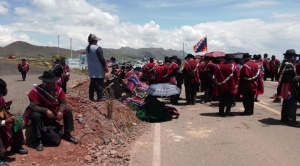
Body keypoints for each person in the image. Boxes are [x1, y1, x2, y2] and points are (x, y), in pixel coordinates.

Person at [27, 71, 78, 151]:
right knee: (35, 115)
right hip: (42, 114)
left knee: (68, 111)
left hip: (55, 112)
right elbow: (32, 106)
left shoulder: (59, 89)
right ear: (44, 82)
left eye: (52, 82)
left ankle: (67, 134)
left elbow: (63, 102)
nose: (51, 84)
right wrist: (46, 110)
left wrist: (60, 111)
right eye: (48, 83)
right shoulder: (36, 91)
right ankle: (39, 140)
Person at [1, 78, 28, 166]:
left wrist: (6, 106)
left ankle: (16, 146)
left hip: (2, 121)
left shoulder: (0, 98)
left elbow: (2, 109)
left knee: (17, 122)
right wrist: (5, 122)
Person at [277, 49, 297, 126]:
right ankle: (291, 120)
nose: (295, 58)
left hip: (285, 87)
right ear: (291, 57)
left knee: (286, 103)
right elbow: (289, 78)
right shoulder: (289, 65)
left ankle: (284, 118)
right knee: (292, 104)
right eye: (294, 56)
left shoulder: (284, 64)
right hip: (289, 87)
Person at [86, 34, 108, 102]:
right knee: (99, 83)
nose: (97, 41)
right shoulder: (97, 48)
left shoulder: (87, 48)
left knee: (92, 82)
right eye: (96, 40)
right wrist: (105, 66)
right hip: (98, 69)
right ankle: (100, 96)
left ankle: (91, 96)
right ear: (94, 41)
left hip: (92, 69)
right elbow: (102, 59)